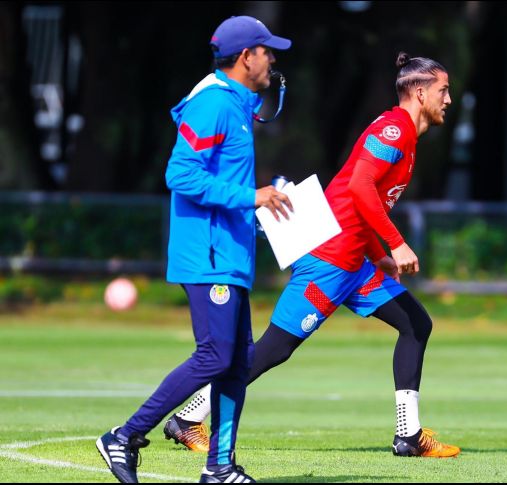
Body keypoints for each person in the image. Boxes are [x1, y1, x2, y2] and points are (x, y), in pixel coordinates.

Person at [163, 52, 460, 459]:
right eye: (443, 90)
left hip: (355, 263)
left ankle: (408, 435)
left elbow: (361, 202)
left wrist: (378, 252)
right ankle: (188, 417)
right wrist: (395, 243)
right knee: (274, 348)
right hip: (330, 261)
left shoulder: (404, 135)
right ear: (421, 91)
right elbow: (359, 187)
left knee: (415, 324)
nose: (448, 99)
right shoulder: (394, 130)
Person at [95, 16, 293, 483]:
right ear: (247, 57)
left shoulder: (237, 106)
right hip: (207, 256)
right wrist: (251, 197)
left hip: (229, 254)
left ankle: (220, 467)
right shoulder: (213, 105)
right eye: (267, 51)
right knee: (215, 356)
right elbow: (180, 174)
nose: (273, 59)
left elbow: (221, 181)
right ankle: (123, 437)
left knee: (237, 361)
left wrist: (263, 211)